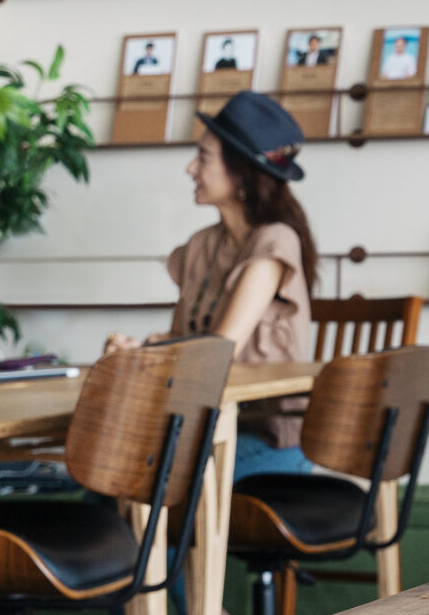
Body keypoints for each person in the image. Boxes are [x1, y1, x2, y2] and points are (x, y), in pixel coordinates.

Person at [105, 89, 319, 481]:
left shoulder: (275, 243)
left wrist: (155, 352)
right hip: (203, 427)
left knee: (148, 475)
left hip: (266, 440)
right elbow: (184, 339)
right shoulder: (203, 245)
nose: (190, 169)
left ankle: (158, 545)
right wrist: (141, 350)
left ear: (241, 175)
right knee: (109, 466)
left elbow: (219, 351)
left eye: (203, 157)